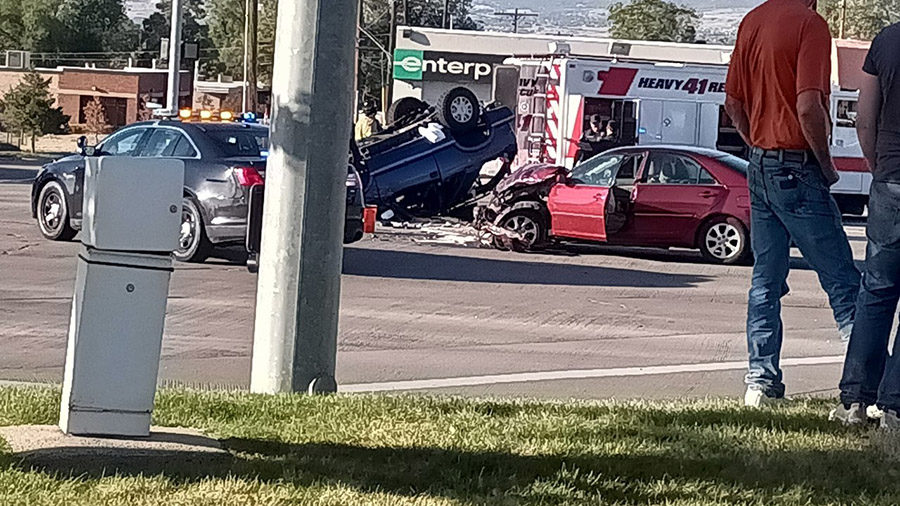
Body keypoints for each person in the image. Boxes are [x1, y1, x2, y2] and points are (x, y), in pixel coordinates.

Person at [725, 0, 861, 407]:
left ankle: (761, 383)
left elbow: (733, 104)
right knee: (843, 280)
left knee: (766, 280)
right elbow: (808, 105)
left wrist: (758, 147)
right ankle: (864, 386)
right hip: (797, 165)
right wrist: (825, 163)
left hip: (760, 164)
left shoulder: (752, 21)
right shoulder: (811, 25)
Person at [831, 23, 900, 428]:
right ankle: (894, 407)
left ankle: (855, 400)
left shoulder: (886, 41)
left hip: (890, 180)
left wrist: (880, 169)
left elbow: (863, 120)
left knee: (875, 292)